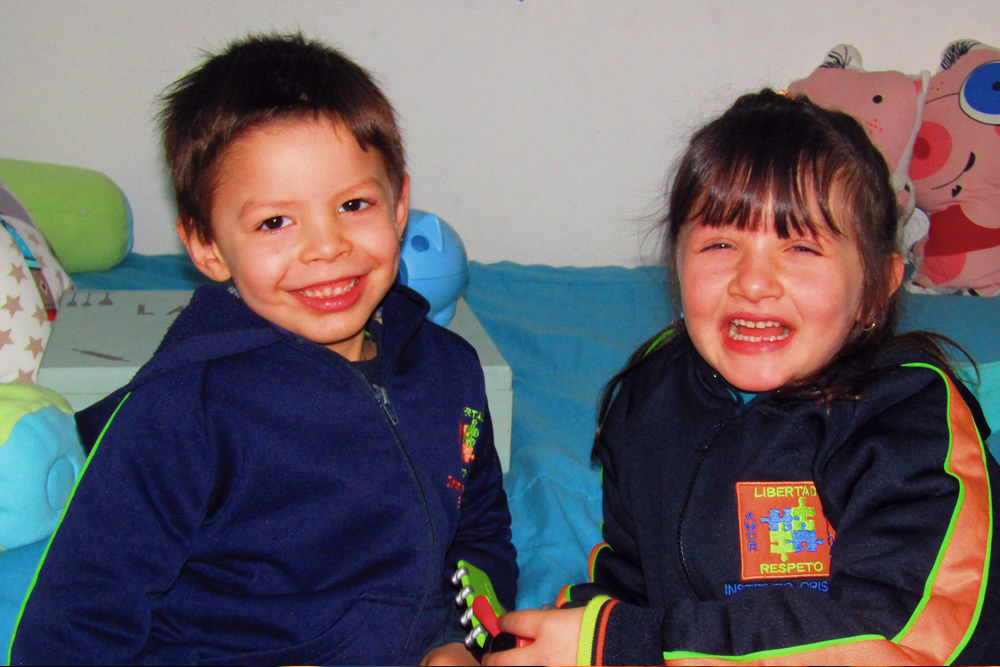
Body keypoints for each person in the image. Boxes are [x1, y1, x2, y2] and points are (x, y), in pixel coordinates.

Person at [9, 33, 516, 666]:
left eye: (353, 204)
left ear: (399, 207)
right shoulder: (181, 413)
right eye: (275, 222)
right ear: (207, 246)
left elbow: (480, 531)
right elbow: (68, 633)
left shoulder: (450, 371)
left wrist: (464, 641)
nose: (326, 247)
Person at [483, 89, 1000, 666]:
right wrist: (551, 637)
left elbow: (899, 639)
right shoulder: (649, 397)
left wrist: (623, 645)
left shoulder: (906, 420)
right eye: (721, 243)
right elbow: (631, 585)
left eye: (801, 247)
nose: (753, 283)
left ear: (875, 289)